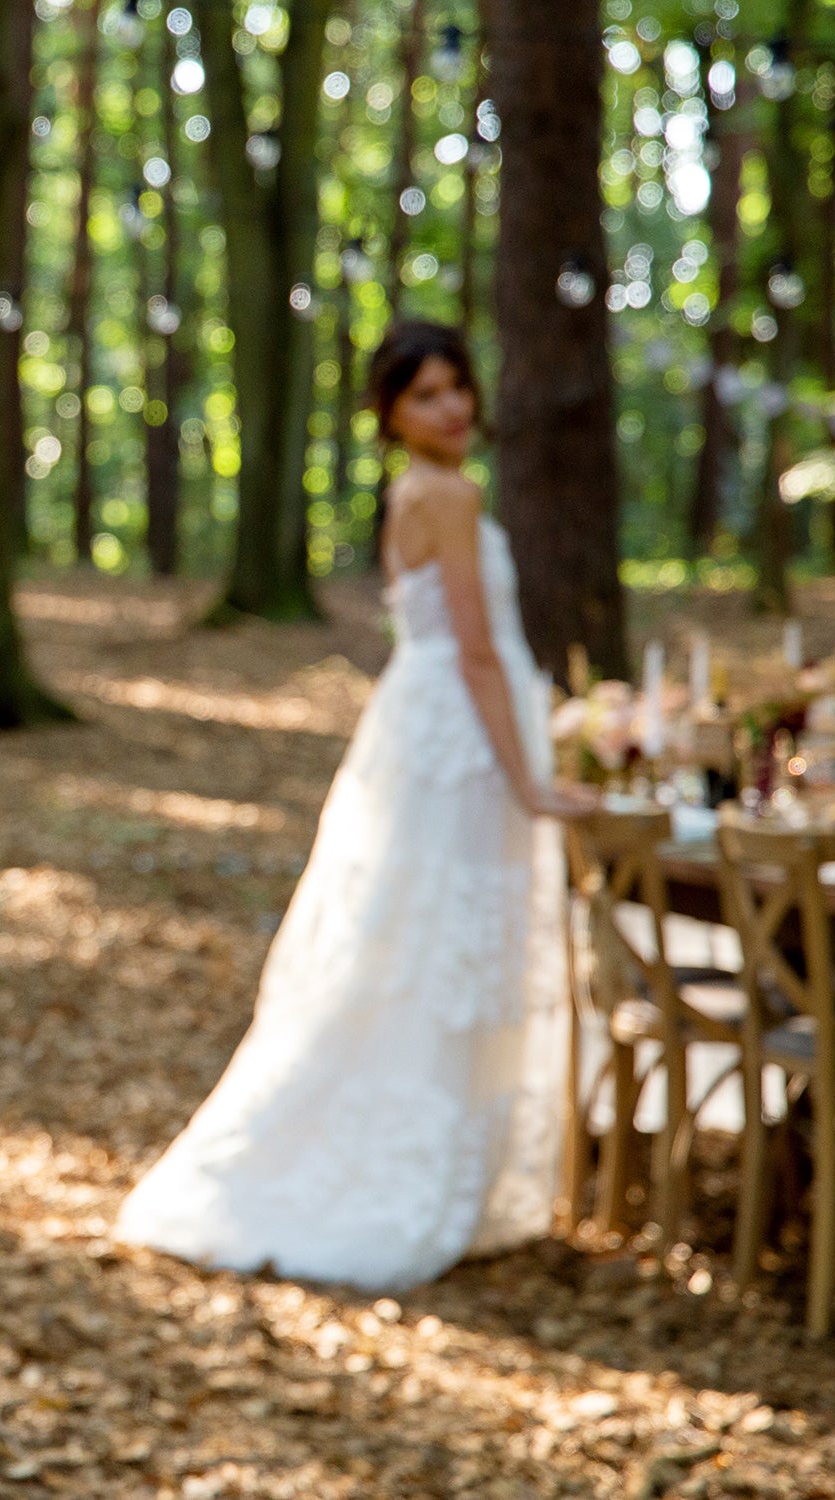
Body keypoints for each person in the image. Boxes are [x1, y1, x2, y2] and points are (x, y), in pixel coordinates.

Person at [114, 321, 599, 1291]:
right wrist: (528, 780)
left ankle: (435, 1162)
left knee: (416, 943)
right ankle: (400, 1173)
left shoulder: (415, 492)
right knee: (440, 944)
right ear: (386, 413)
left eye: (456, 386)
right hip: (457, 740)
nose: (451, 407)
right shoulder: (447, 496)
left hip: (425, 731)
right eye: (424, 395)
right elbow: (470, 650)